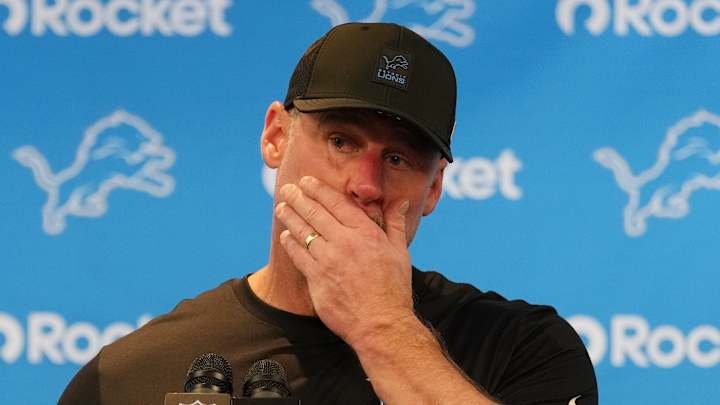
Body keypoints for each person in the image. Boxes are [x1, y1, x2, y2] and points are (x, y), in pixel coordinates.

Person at [59, 22, 598, 405]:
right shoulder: (127, 378)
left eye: (398, 159)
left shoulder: (522, 349)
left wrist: (381, 325)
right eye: (341, 141)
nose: (365, 184)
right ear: (275, 137)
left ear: (433, 188)